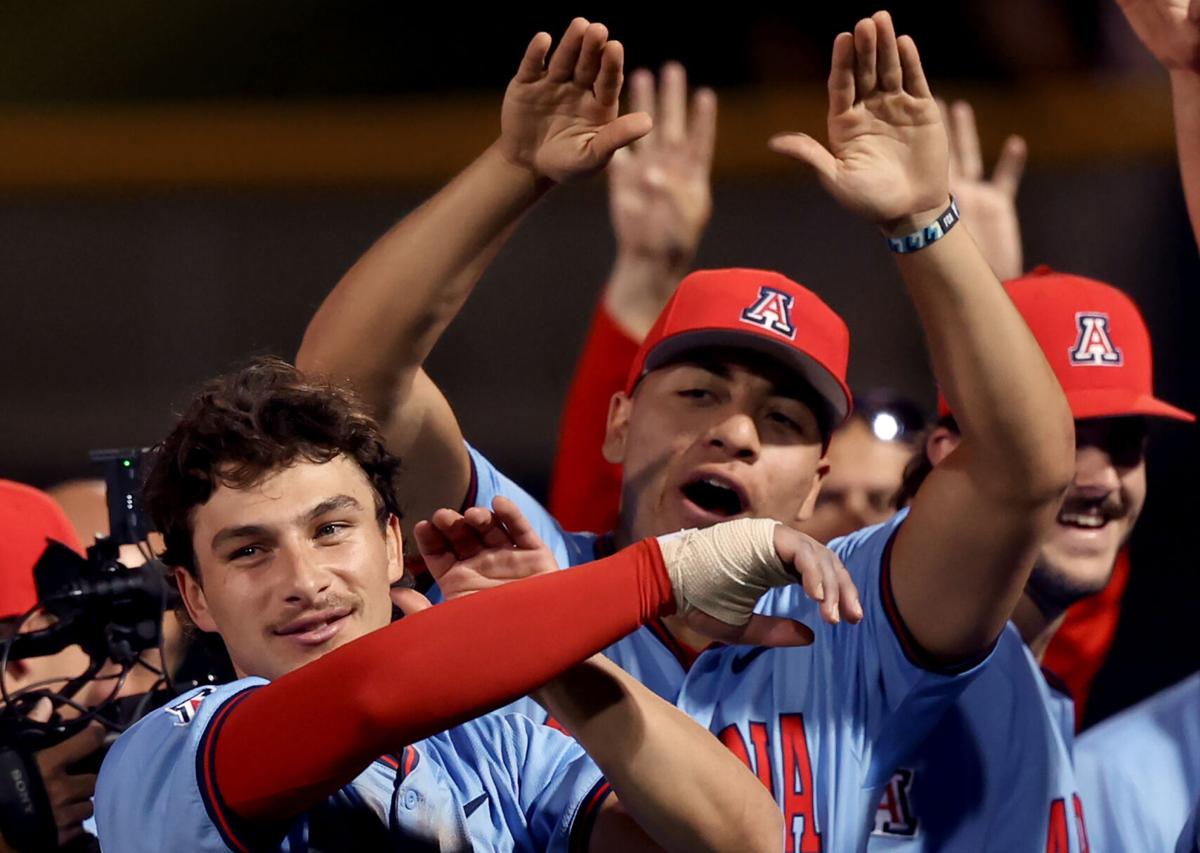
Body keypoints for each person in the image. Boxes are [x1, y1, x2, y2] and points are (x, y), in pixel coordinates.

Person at [297, 10, 1075, 848]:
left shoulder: (856, 613)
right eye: (699, 394)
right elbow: (345, 388)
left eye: (781, 419)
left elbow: (1023, 472)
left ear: (816, 481)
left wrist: (925, 220)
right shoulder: (529, 573)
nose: (736, 431)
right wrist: (512, 169)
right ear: (619, 424)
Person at [90, 352, 857, 846]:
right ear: (194, 594)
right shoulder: (164, 752)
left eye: (331, 529)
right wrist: (667, 570)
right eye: (250, 550)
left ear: (394, 545)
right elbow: (367, 696)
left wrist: (557, 659)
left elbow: (743, 839)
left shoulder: (494, 744)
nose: (305, 578)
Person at [864, 267, 1193, 851]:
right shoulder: (854, 658)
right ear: (947, 453)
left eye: (1123, 445)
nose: (1099, 480)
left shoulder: (1040, 696)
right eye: (1061, 441)